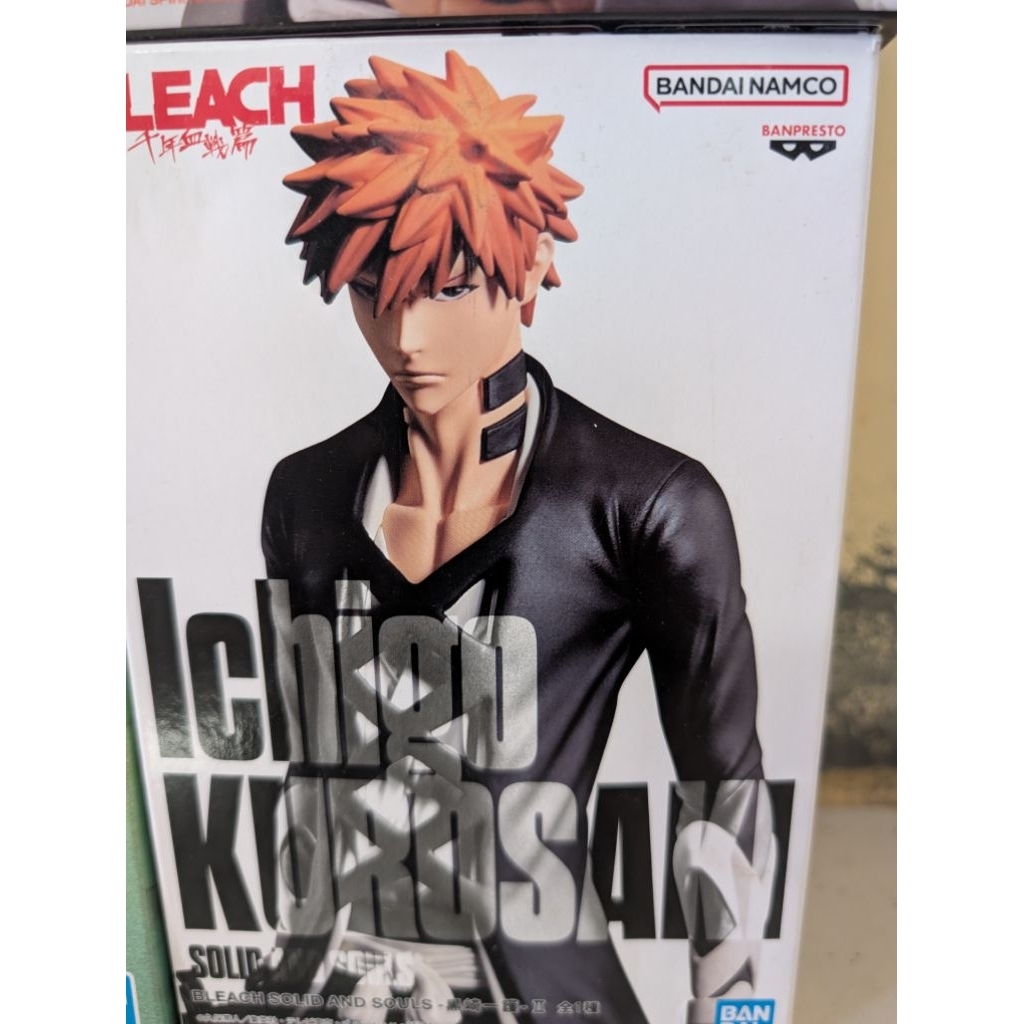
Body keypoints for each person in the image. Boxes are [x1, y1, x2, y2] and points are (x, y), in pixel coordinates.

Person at [259, 50, 776, 1024]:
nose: (408, 337)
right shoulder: (307, 494)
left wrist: (732, 1006)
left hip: (545, 994)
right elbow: (308, 772)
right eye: (372, 290)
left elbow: (722, 792)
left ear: (529, 267)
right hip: (334, 986)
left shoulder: (648, 501)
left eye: (448, 289)